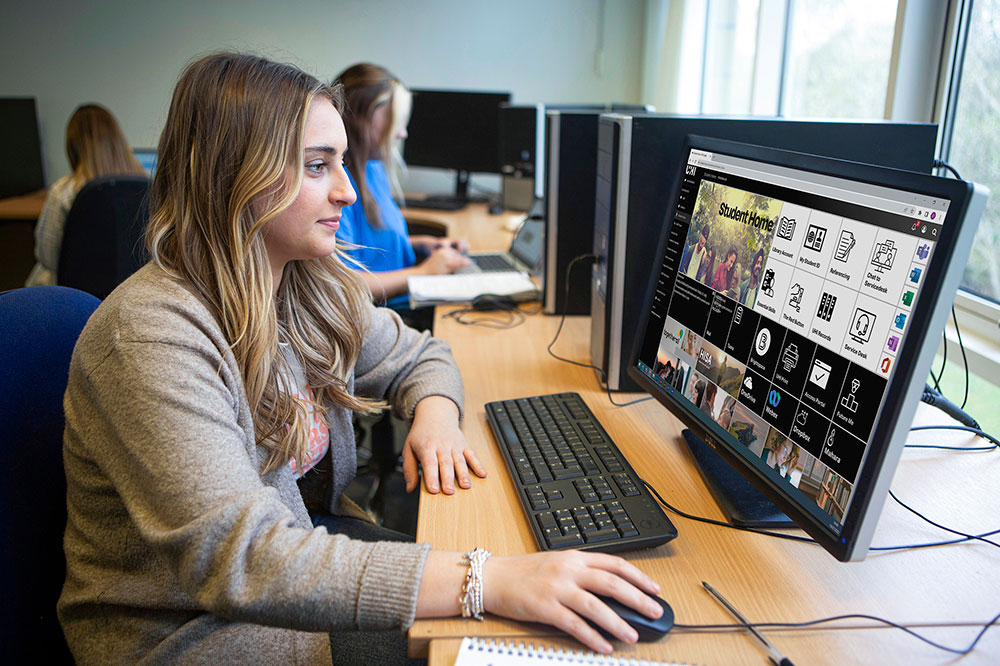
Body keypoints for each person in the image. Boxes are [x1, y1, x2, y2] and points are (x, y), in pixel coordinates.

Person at [57, 53, 663, 665]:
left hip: (302, 574)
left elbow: (421, 354)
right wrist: (488, 580)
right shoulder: (147, 337)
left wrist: (435, 419)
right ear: (234, 174)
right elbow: (241, 560)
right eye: (318, 166)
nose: (347, 191)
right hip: (196, 633)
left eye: (341, 163)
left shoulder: (300, 287)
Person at [335, 63, 470, 307]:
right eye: (395, 120)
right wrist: (425, 272)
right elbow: (344, 286)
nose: (403, 133)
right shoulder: (339, 188)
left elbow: (368, 245)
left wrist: (420, 244)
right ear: (362, 118)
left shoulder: (372, 169)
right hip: (384, 313)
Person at [24, 104, 145, 287]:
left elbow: (47, 256)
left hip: (76, 295)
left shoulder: (64, 191)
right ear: (118, 141)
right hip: (131, 290)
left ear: (73, 147)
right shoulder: (146, 187)